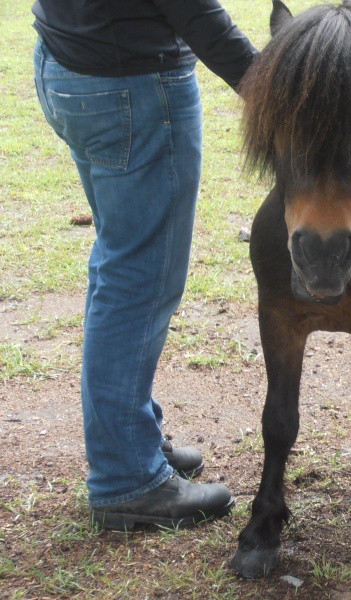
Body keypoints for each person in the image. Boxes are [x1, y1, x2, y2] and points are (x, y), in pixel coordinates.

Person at [32, 0, 258, 530]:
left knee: (119, 266)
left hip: (68, 63)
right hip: (131, 86)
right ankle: (127, 479)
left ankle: (132, 439)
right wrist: (275, 90)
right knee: (138, 280)